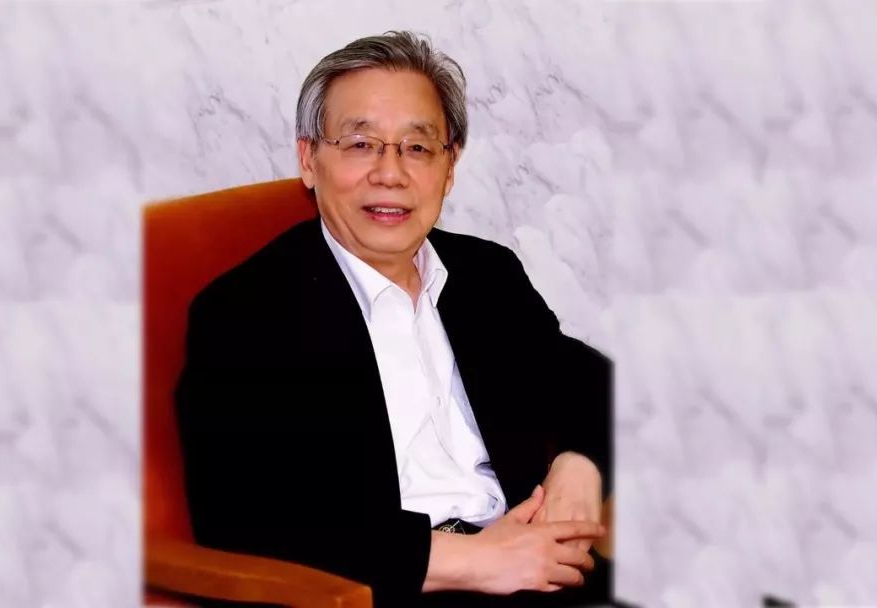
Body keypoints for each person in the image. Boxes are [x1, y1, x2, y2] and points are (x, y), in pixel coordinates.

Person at [175, 31, 613, 608]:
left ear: (449, 167)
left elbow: (590, 381)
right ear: (309, 159)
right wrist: (468, 560)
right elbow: (244, 513)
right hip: (389, 592)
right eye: (360, 144)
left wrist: (580, 465)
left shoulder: (486, 275)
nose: (390, 173)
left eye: (417, 147)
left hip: (539, 569)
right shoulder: (244, 312)